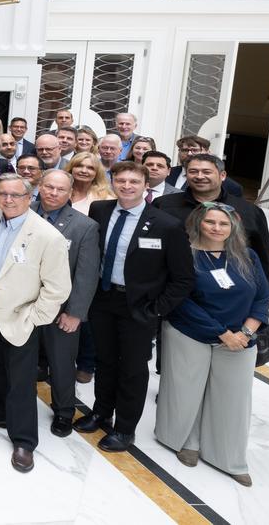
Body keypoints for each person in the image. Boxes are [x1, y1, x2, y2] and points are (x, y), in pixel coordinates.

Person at [76, 162, 194, 452]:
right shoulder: (100, 210)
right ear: (112, 182)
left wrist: (157, 309)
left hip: (140, 306)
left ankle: (125, 428)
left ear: (146, 186)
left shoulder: (166, 224)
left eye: (134, 182)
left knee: (132, 368)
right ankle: (102, 412)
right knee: (105, 361)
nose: (127, 186)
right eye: (121, 181)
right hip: (103, 298)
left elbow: (183, 277)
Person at [155, 203, 269, 487]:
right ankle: (184, 441)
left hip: (240, 338)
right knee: (185, 391)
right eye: (210, 222)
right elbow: (181, 301)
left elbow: (262, 297)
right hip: (190, 332)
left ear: (233, 227)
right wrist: (222, 333)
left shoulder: (248, 256)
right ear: (198, 223)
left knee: (234, 400)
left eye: (223, 224)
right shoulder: (184, 254)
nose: (217, 228)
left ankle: (228, 457)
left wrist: (246, 332)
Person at [0, 175, 70, 473]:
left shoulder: (48, 236)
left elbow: (58, 289)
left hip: (20, 315)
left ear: (29, 197)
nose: (8, 200)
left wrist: (34, 318)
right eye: (3, 194)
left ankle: (24, 440)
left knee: (21, 380)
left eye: (15, 195)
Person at [33, 170, 101, 437]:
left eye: (60, 189)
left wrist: (75, 313)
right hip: (24, 305)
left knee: (61, 363)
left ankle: (63, 412)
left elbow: (86, 274)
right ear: (40, 186)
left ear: (70, 192)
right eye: (48, 187)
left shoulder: (84, 226)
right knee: (20, 359)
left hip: (61, 310)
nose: (53, 193)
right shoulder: (23, 212)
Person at [154, 154, 269, 280]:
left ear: (223, 175)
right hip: (172, 282)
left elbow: (262, 258)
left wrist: (262, 288)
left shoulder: (249, 211)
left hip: (231, 283)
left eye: (207, 172)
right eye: (193, 171)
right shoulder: (163, 205)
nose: (199, 176)